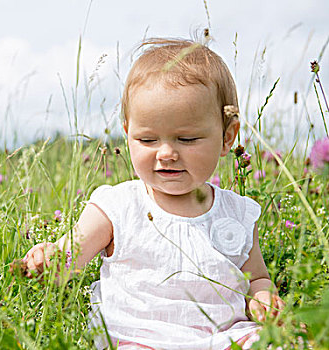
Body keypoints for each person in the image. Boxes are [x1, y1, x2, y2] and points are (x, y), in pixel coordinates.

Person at [23, 38, 285, 349]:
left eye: (186, 139)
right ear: (128, 134)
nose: (166, 153)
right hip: (137, 339)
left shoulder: (237, 213)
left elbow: (255, 278)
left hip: (224, 339)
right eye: (147, 140)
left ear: (228, 137)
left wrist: (263, 296)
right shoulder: (117, 206)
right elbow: (70, 255)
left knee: (277, 342)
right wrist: (50, 258)